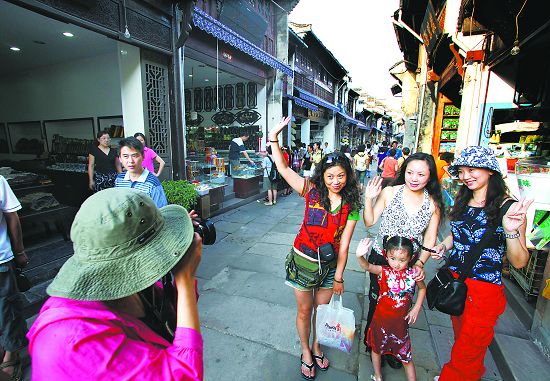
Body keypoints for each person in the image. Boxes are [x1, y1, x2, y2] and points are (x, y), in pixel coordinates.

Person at [27, 188, 204, 380]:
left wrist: (179, 267)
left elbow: (173, 312)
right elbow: (183, 375)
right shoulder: (73, 340)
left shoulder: (133, 285)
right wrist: (185, 280)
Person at [269, 117, 361, 380]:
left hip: (329, 269)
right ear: (322, 176)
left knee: (321, 312)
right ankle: (306, 351)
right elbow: (284, 169)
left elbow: (344, 245)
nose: (336, 181)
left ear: (348, 176)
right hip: (302, 262)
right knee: (304, 311)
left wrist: (340, 276)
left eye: (341, 176)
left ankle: (318, 346)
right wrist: (274, 137)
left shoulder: (351, 205)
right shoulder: (310, 191)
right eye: (330, 176)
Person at [430, 146, 533, 381]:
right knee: (465, 345)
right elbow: (458, 233)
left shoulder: (509, 208)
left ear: (491, 171)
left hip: (484, 291)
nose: (466, 176)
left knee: (468, 350)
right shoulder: (464, 198)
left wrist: (511, 231)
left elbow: (519, 262)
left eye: (473, 169)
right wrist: (444, 245)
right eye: (462, 171)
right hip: (456, 283)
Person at [363, 153, 443, 369]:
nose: (414, 178)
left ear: (430, 177)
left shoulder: (432, 203)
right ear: (403, 172)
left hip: (409, 263)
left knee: (400, 305)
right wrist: (369, 199)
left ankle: (392, 347)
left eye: (420, 174)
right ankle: (373, 342)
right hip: (382, 257)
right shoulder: (390, 192)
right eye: (410, 172)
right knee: (377, 301)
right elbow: (370, 222)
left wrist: (420, 263)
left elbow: (429, 237)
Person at [356, 236, 426, 381]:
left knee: (406, 356)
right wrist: (359, 255)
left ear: (411, 258)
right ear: (385, 255)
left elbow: (422, 289)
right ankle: (378, 375)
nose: (397, 264)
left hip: (400, 326)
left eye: (402, 260)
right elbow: (367, 266)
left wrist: (417, 307)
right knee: (376, 350)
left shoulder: (413, 274)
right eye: (392, 258)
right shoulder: (384, 271)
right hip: (380, 322)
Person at [0, 176, 29, 381]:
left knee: (7, 307)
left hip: (1, 258)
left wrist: (19, 251)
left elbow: (12, 216)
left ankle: (12, 353)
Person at [115, 137, 168, 208]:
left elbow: (161, 211)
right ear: (120, 159)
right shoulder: (119, 179)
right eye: (125, 156)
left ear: (143, 157)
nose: (130, 161)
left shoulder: (152, 183)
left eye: (134, 156)